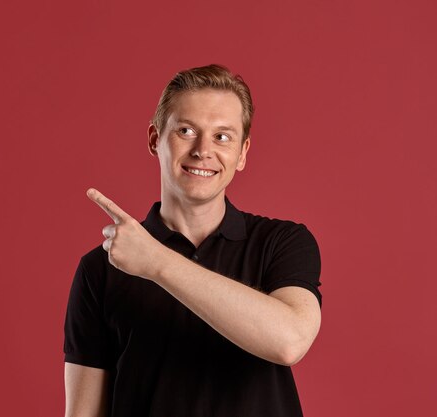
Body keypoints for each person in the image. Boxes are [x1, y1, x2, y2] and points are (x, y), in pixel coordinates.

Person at [63, 64, 322, 417]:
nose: (203, 150)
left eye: (223, 137)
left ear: (243, 153)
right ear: (155, 139)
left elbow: (289, 340)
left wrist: (156, 263)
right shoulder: (101, 267)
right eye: (186, 131)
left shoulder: (281, 242)